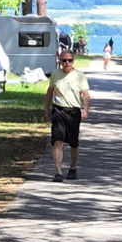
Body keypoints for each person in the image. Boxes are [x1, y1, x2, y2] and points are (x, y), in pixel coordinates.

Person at [45, 42, 92, 181]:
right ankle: (58, 172)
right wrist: (47, 109)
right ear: (60, 61)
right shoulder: (55, 74)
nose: (66, 63)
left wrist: (85, 109)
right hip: (58, 110)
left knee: (73, 142)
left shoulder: (80, 76)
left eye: (69, 60)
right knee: (57, 141)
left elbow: (85, 95)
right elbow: (49, 92)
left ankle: (73, 168)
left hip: (73, 111)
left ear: (73, 61)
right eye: (63, 60)